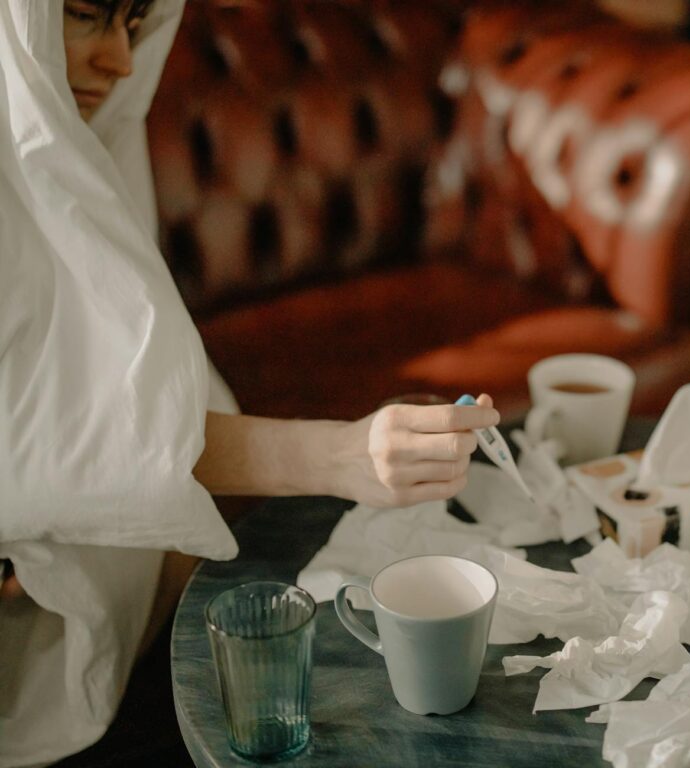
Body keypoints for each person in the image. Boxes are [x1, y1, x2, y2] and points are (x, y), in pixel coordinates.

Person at [0, 1, 498, 765]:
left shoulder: (81, 140)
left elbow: (111, 381)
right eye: (85, 17)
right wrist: (338, 455)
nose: (121, 62)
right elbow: (47, 431)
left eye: (134, 26)